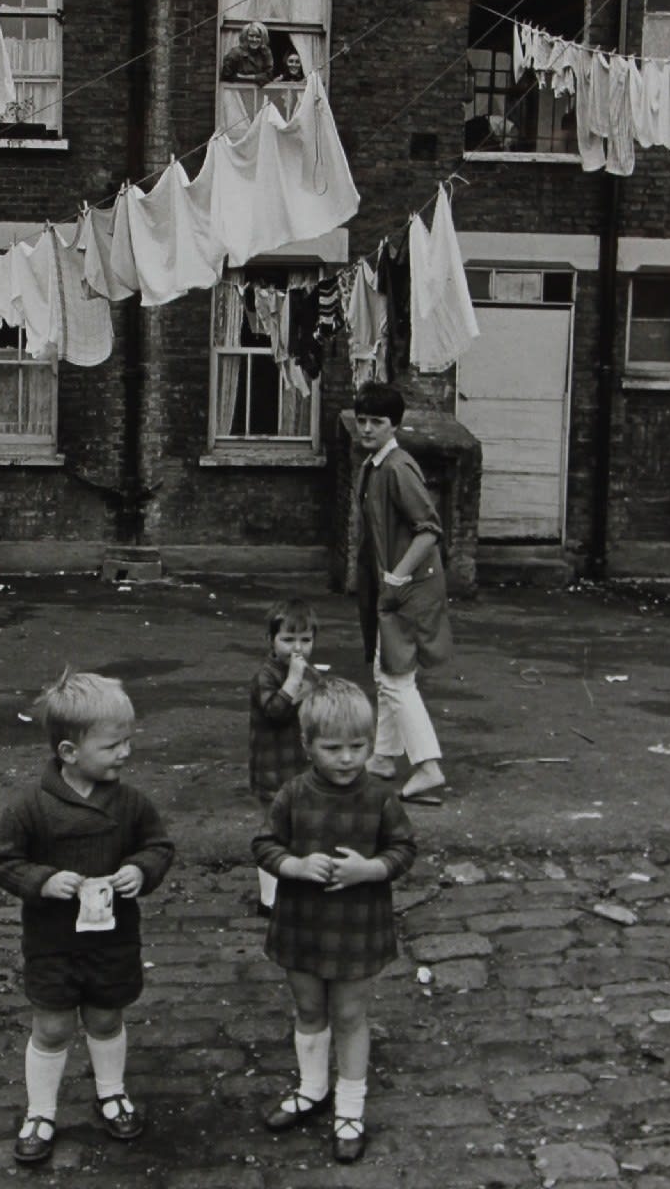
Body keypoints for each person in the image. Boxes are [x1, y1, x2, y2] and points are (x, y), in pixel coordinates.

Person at [0, 671, 174, 1166]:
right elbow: (4, 862)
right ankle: (41, 1111)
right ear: (69, 752)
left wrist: (141, 869)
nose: (125, 753)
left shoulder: (131, 804)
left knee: (106, 1016)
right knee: (51, 1026)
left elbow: (158, 846)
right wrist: (42, 881)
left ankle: (111, 1092)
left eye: (127, 741)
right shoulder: (31, 807)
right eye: (112, 746)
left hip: (113, 938)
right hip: (52, 942)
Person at [253, 677, 416, 1163]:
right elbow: (264, 844)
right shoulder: (292, 794)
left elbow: (404, 849)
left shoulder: (380, 797)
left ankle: (350, 1106)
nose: (346, 758)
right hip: (302, 921)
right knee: (308, 1009)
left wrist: (372, 869)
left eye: (357, 747)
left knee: (349, 1014)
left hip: (356, 925)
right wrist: (294, 865)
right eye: (333, 748)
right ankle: (313, 1088)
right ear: (307, 745)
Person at [353, 382, 452, 803]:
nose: (367, 429)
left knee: (396, 678)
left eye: (377, 422)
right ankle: (383, 757)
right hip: (393, 586)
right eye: (362, 420)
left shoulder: (397, 468)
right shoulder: (374, 465)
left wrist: (396, 577)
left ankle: (428, 767)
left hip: (409, 587)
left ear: (394, 425)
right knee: (386, 672)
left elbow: (429, 530)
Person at [249, 598, 319, 916]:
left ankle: (298, 885)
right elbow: (275, 711)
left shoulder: (309, 673)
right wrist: (292, 682)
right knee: (273, 830)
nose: (298, 648)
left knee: (301, 826)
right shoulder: (266, 676)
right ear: (271, 640)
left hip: (301, 766)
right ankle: (269, 899)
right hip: (272, 767)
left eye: (305, 640)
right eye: (288, 639)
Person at [220, 21, 274, 86]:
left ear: (262, 38)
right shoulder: (235, 53)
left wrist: (244, 77)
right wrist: (258, 77)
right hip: (237, 90)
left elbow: (269, 75)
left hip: (258, 91)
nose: (254, 39)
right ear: (245, 36)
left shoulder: (266, 52)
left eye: (258, 36)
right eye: (251, 36)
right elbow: (226, 75)